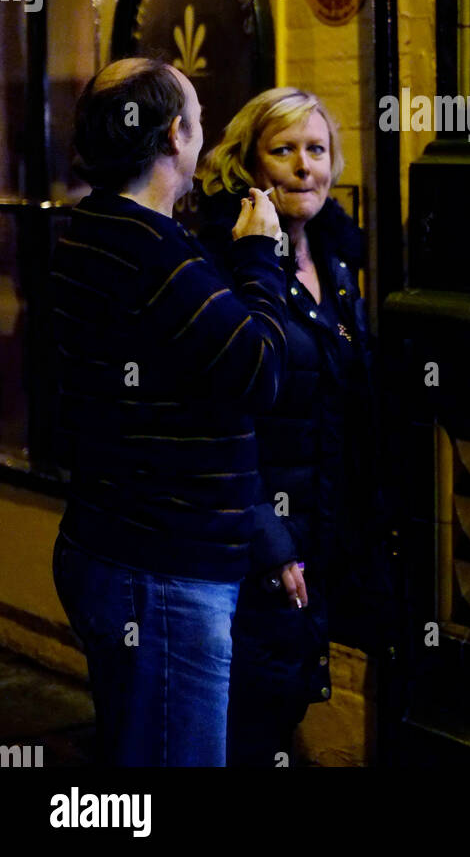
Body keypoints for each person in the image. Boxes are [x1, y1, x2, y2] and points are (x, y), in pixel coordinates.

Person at [51, 58, 291, 767]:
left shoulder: (94, 227)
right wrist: (259, 255)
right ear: (175, 134)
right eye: (197, 117)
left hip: (117, 549)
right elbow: (262, 370)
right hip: (160, 572)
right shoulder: (152, 251)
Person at [196, 87, 388, 767]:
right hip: (258, 542)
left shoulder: (335, 261)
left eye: (317, 150)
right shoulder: (228, 263)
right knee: (248, 718)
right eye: (284, 151)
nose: (304, 166)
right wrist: (268, 537)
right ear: (250, 165)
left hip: (322, 529)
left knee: (286, 704)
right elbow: (218, 418)